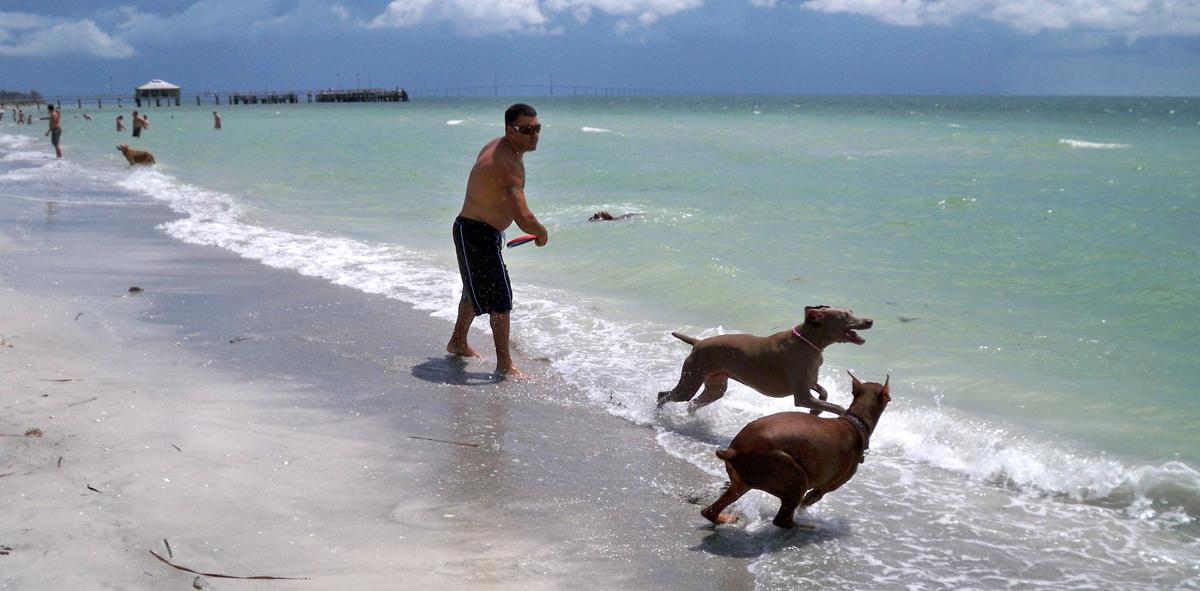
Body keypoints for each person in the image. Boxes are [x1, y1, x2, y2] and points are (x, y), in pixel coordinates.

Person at [446, 103, 548, 380]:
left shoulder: (501, 146)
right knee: (500, 301)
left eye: (537, 128)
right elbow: (523, 216)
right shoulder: (507, 165)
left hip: (479, 232)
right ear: (510, 130)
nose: (534, 135)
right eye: (526, 130)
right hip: (475, 234)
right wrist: (541, 232)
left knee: (474, 289)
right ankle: (504, 365)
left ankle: (457, 341)